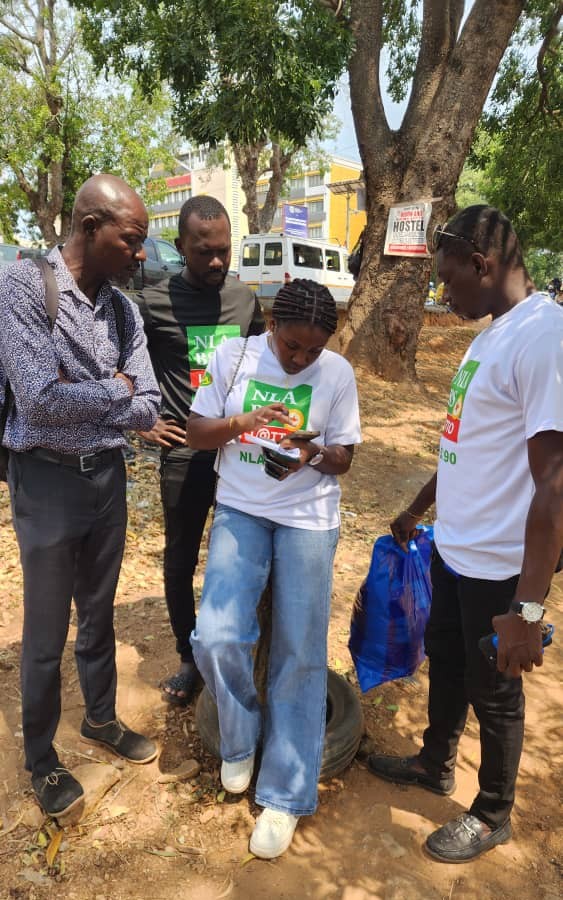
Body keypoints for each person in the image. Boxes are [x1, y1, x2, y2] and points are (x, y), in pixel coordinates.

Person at [367, 205, 563, 863]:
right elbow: (462, 444)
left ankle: (490, 813)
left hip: (498, 562)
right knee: (445, 660)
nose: (440, 293)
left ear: (482, 265)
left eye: (446, 279)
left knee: (494, 688)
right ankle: (434, 761)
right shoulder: (489, 335)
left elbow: (555, 483)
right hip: (454, 545)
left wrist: (528, 608)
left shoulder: (543, 338)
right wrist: (419, 507)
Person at [0, 175, 161, 819]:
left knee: (98, 612)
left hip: (107, 479)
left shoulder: (123, 310)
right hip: (44, 478)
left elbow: (149, 403)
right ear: (91, 228)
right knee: (45, 628)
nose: (142, 254)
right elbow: (37, 399)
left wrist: (105, 395)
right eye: (133, 240)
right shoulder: (24, 286)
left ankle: (100, 719)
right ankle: (41, 757)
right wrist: (116, 392)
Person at [187, 279, 361, 859]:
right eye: (291, 346)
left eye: (312, 351)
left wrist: (311, 453)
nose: (301, 359)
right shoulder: (233, 358)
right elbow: (195, 432)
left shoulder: (336, 373)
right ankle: (239, 740)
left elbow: (344, 458)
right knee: (216, 633)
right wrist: (247, 422)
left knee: (301, 651)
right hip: (240, 507)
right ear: (270, 327)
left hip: (309, 518)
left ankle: (285, 795)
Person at [135, 195, 264, 706]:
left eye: (224, 251)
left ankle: (237, 647)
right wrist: (143, 422)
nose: (215, 261)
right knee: (181, 557)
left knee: (242, 556)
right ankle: (189, 658)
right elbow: (124, 366)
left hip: (238, 453)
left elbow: (263, 367)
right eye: (203, 251)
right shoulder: (153, 303)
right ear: (181, 247)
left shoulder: (243, 299)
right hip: (186, 455)